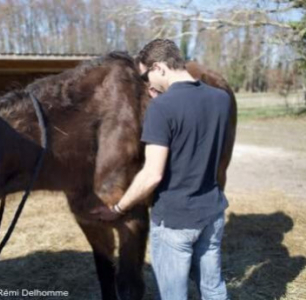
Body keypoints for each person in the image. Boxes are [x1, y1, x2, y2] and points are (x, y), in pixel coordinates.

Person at [90, 39, 231, 300]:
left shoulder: (162, 109)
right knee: (213, 289)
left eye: (146, 76)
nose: (146, 84)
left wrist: (118, 209)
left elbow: (151, 175)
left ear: (159, 67)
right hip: (212, 214)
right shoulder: (221, 99)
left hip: (175, 221)